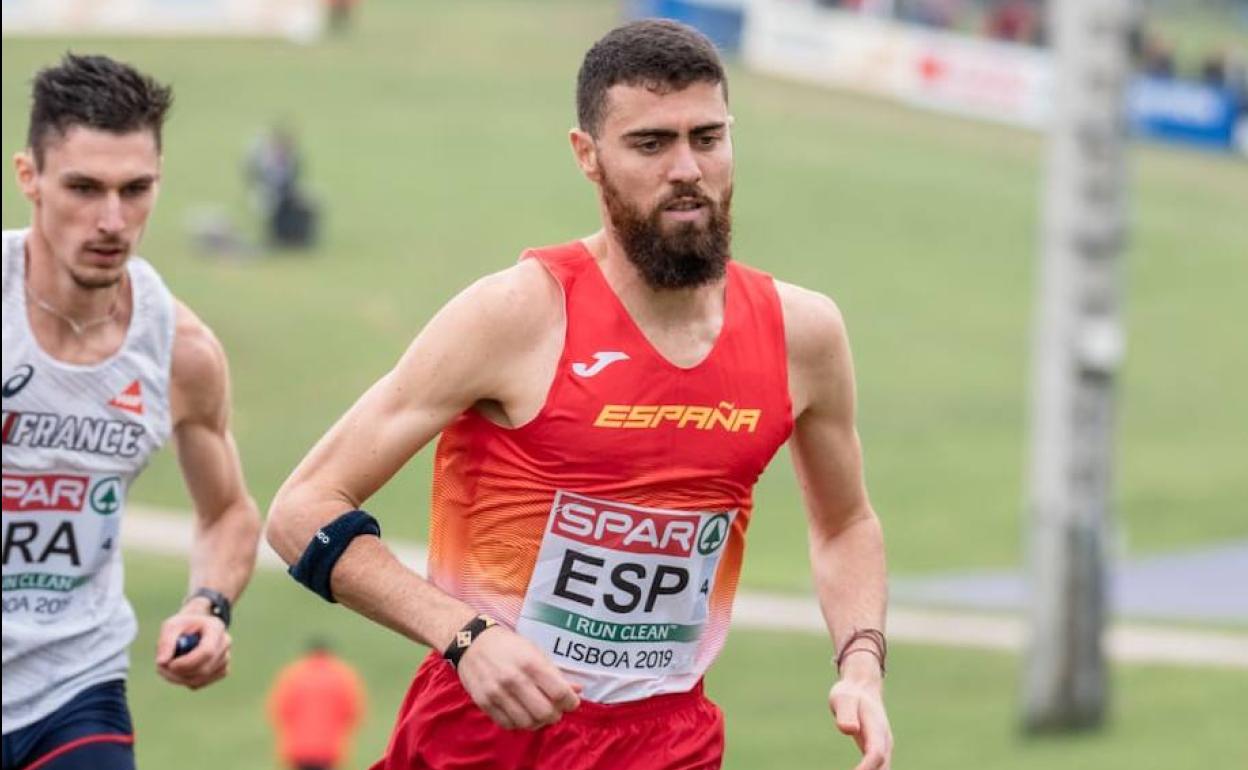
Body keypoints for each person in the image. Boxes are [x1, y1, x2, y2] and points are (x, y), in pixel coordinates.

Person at [267, 19, 892, 770]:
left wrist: (861, 663)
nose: (687, 168)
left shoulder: (802, 334)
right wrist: (464, 637)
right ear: (587, 155)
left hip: (669, 741)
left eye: (707, 137)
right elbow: (301, 512)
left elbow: (846, 522)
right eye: (651, 143)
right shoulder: (517, 315)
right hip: (484, 737)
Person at [1, 54, 262, 770]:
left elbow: (228, 512)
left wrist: (207, 605)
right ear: (29, 177)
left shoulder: (180, 350)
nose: (112, 221)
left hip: (74, 687)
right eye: (83, 188)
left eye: (135, 189)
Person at [267, 639, 366, 770]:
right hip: (329, 749)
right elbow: (353, 712)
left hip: (298, 748)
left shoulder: (294, 675)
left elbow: (280, 709)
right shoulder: (342, 676)